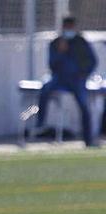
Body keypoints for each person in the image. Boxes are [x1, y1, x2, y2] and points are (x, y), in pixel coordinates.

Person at [36, 16, 97, 147]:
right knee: (45, 88)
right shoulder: (56, 43)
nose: (68, 30)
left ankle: (88, 139)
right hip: (59, 78)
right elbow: (52, 64)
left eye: (70, 27)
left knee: (84, 105)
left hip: (77, 80)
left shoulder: (81, 43)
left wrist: (83, 74)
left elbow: (92, 62)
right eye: (66, 27)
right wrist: (61, 52)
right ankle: (39, 124)